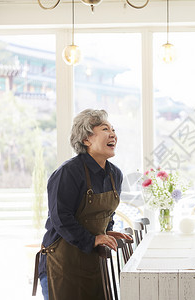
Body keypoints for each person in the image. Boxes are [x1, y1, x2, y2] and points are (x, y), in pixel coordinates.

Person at [32, 109, 132, 300]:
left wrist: (105, 232)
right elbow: (60, 217)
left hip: (93, 264)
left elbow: (108, 213)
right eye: (105, 129)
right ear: (86, 139)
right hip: (62, 264)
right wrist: (93, 239)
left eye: (113, 129)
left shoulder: (115, 174)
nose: (113, 134)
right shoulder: (68, 172)